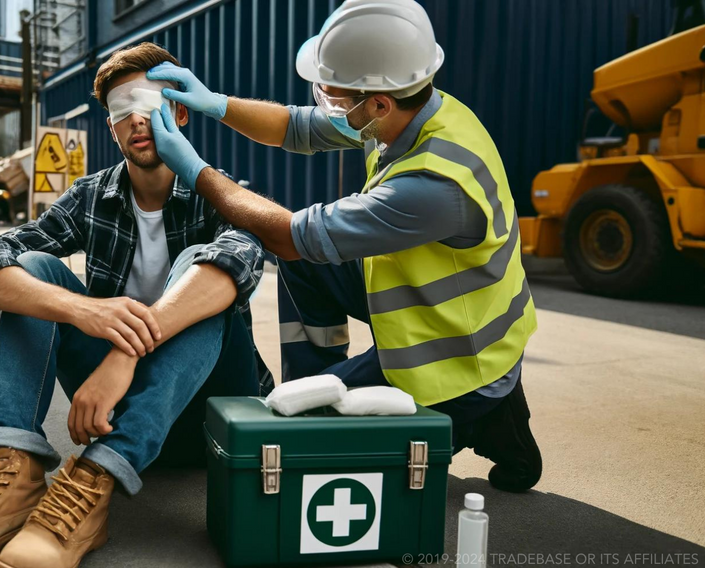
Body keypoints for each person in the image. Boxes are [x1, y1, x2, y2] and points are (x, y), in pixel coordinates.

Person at [147, 0, 542, 493]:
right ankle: (324, 381)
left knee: (308, 415)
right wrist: (218, 104)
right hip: (434, 306)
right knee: (309, 272)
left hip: (454, 358)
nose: (326, 102)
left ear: (377, 103)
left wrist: (194, 169)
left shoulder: (434, 186)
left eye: (335, 96)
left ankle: (477, 415)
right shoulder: (413, 109)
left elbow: (289, 236)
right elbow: (298, 127)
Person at [0, 43, 271, 568]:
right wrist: (85, 312)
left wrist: (123, 355)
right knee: (32, 267)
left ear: (181, 111)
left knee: (203, 269)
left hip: (211, 410)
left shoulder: (218, 194)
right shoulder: (92, 196)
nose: (137, 120)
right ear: (112, 128)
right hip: (111, 408)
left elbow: (239, 263)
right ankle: (16, 472)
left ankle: (94, 479)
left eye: (150, 104)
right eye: (123, 111)